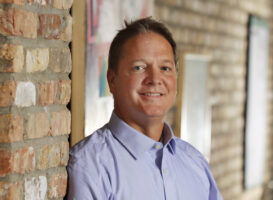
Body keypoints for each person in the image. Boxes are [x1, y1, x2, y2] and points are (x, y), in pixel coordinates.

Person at [67, 17, 222, 200]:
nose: (155, 79)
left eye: (165, 68)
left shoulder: (195, 162)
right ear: (112, 80)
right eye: (139, 67)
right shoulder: (91, 166)